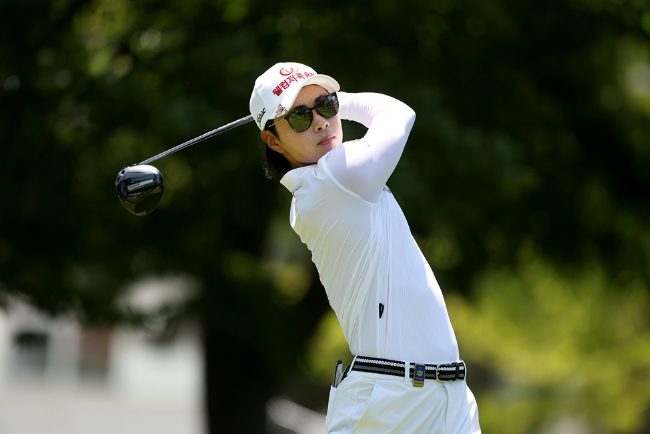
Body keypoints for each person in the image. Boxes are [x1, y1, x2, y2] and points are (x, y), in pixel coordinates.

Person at [250, 62, 481, 434]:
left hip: (446, 395)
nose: (321, 123)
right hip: (390, 400)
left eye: (326, 106)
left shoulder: (328, 181)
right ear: (273, 141)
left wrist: (324, 104)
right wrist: (344, 101)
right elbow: (398, 113)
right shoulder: (334, 177)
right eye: (299, 118)